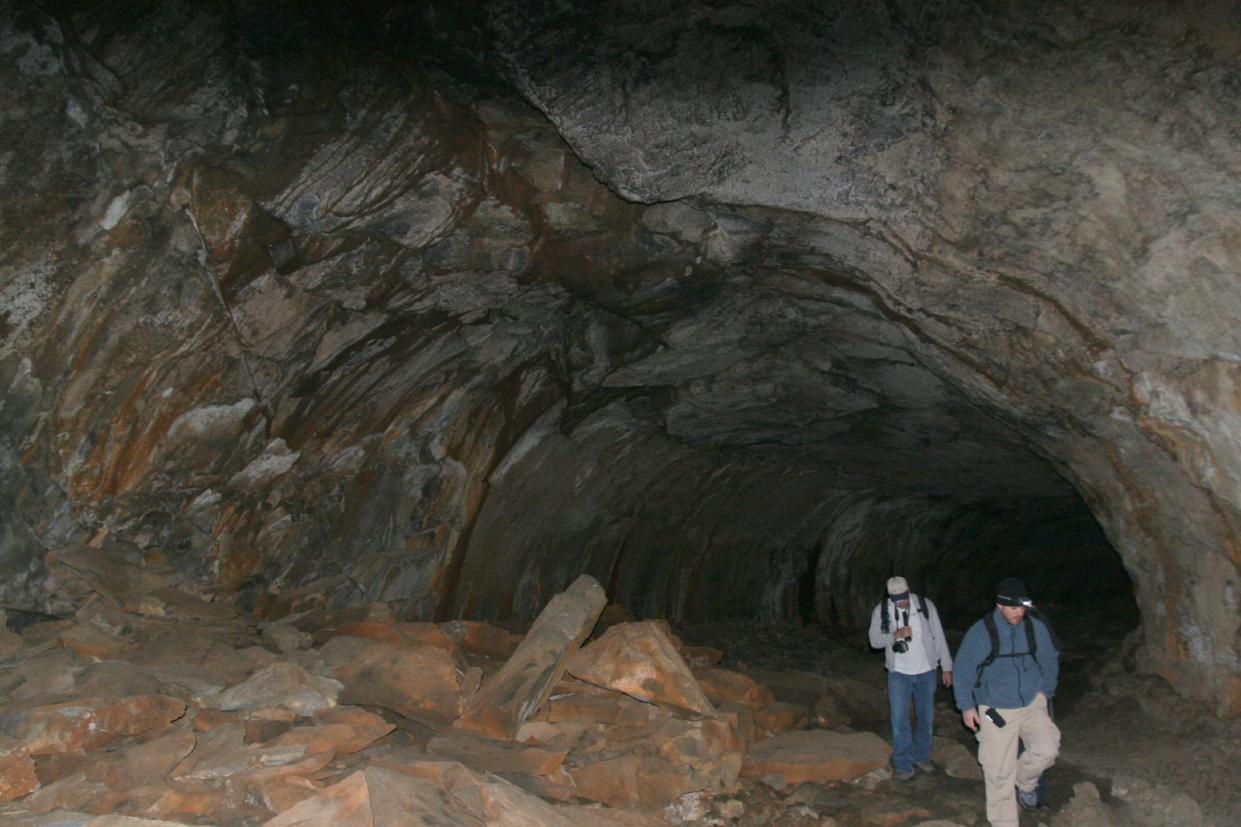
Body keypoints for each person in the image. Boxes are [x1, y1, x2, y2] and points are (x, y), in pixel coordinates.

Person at [953, 577, 1060, 827]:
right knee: (998, 770)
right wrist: (966, 706)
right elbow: (964, 670)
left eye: (1022, 607)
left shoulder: (1034, 628)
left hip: (1032, 702)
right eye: (1013, 608)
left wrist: (1046, 691)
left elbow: (1049, 658)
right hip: (994, 708)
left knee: (1047, 749)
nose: (1019, 613)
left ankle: (1024, 783)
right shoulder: (981, 632)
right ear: (1000, 605)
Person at [868, 575, 954, 781]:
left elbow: (938, 635)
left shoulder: (924, 606)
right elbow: (874, 641)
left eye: (904, 597)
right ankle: (903, 764)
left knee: (926, 717)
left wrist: (947, 666)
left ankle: (921, 756)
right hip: (899, 673)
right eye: (896, 600)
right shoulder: (882, 610)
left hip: (926, 671)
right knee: (900, 720)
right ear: (890, 597)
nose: (901, 602)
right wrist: (895, 635)